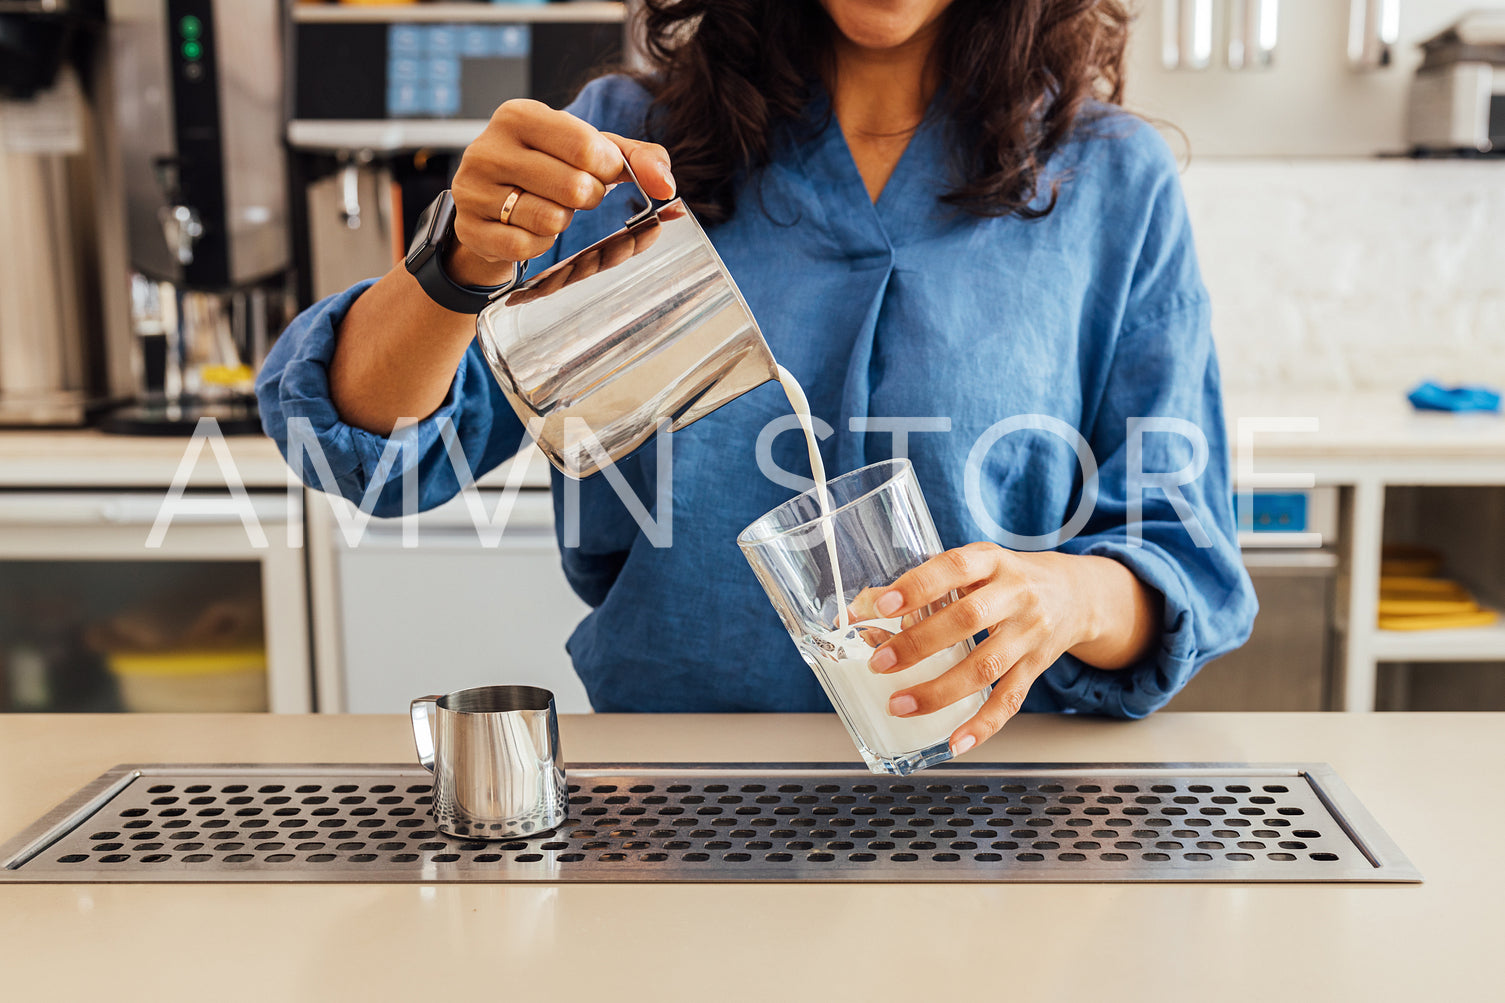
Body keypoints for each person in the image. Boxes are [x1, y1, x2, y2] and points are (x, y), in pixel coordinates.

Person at [258, 0, 1257, 754]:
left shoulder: (1108, 181)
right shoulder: (623, 160)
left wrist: (1068, 595)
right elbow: (373, 455)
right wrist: (457, 262)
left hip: (994, 792)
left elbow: (1181, 557)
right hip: (673, 799)